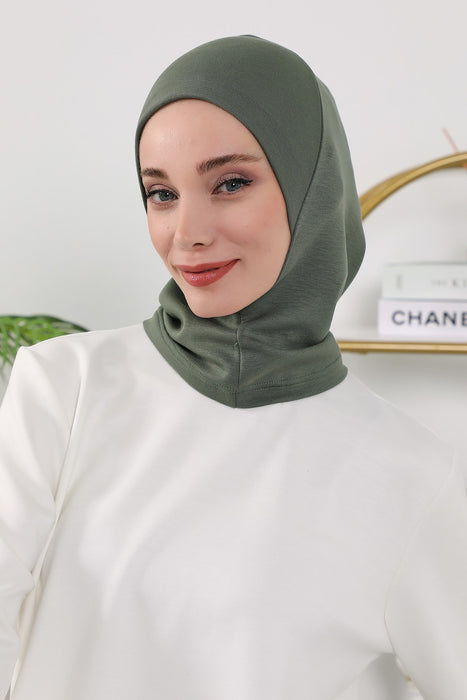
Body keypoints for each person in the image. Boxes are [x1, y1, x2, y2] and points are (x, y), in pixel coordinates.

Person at [0, 35, 466, 700]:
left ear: (311, 190)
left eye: (230, 184)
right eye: (161, 193)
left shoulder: (414, 476)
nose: (186, 232)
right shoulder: (63, 388)